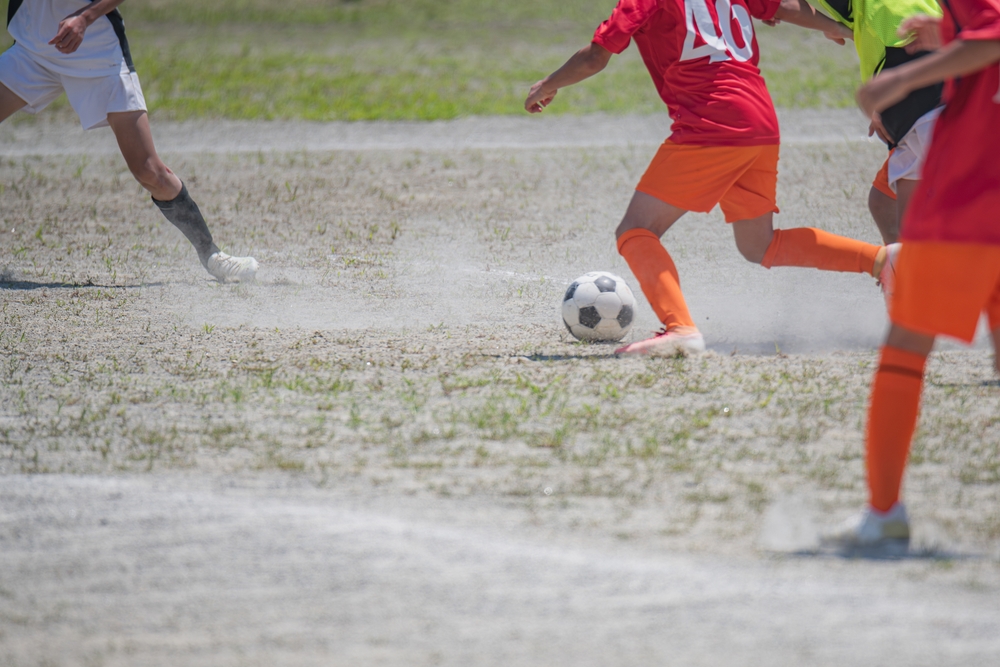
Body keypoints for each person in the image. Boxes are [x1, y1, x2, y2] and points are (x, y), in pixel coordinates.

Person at [525, 0, 896, 356]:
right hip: (760, 121)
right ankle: (884, 261)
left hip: (712, 123)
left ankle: (680, 330)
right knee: (759, 244)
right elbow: (781, 5)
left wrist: (547, 84)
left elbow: (595, 56)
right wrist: (832, 26)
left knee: (636, 229)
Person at [822, 0, 1000, 551]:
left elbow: (993, 37)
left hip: (974, 187)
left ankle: (883, 514)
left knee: (905, 344)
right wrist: (946, 31)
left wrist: (896, 81)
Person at [0, 0, 258, 283]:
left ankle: (212, 256)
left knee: (150, 171)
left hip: (96, 50)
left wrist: (85, 17)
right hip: (34, 46)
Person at [788, 0, 943, 245]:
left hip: (923, 99)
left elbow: (782, 5)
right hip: (935, 82)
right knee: (883, 203)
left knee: (918, 235)